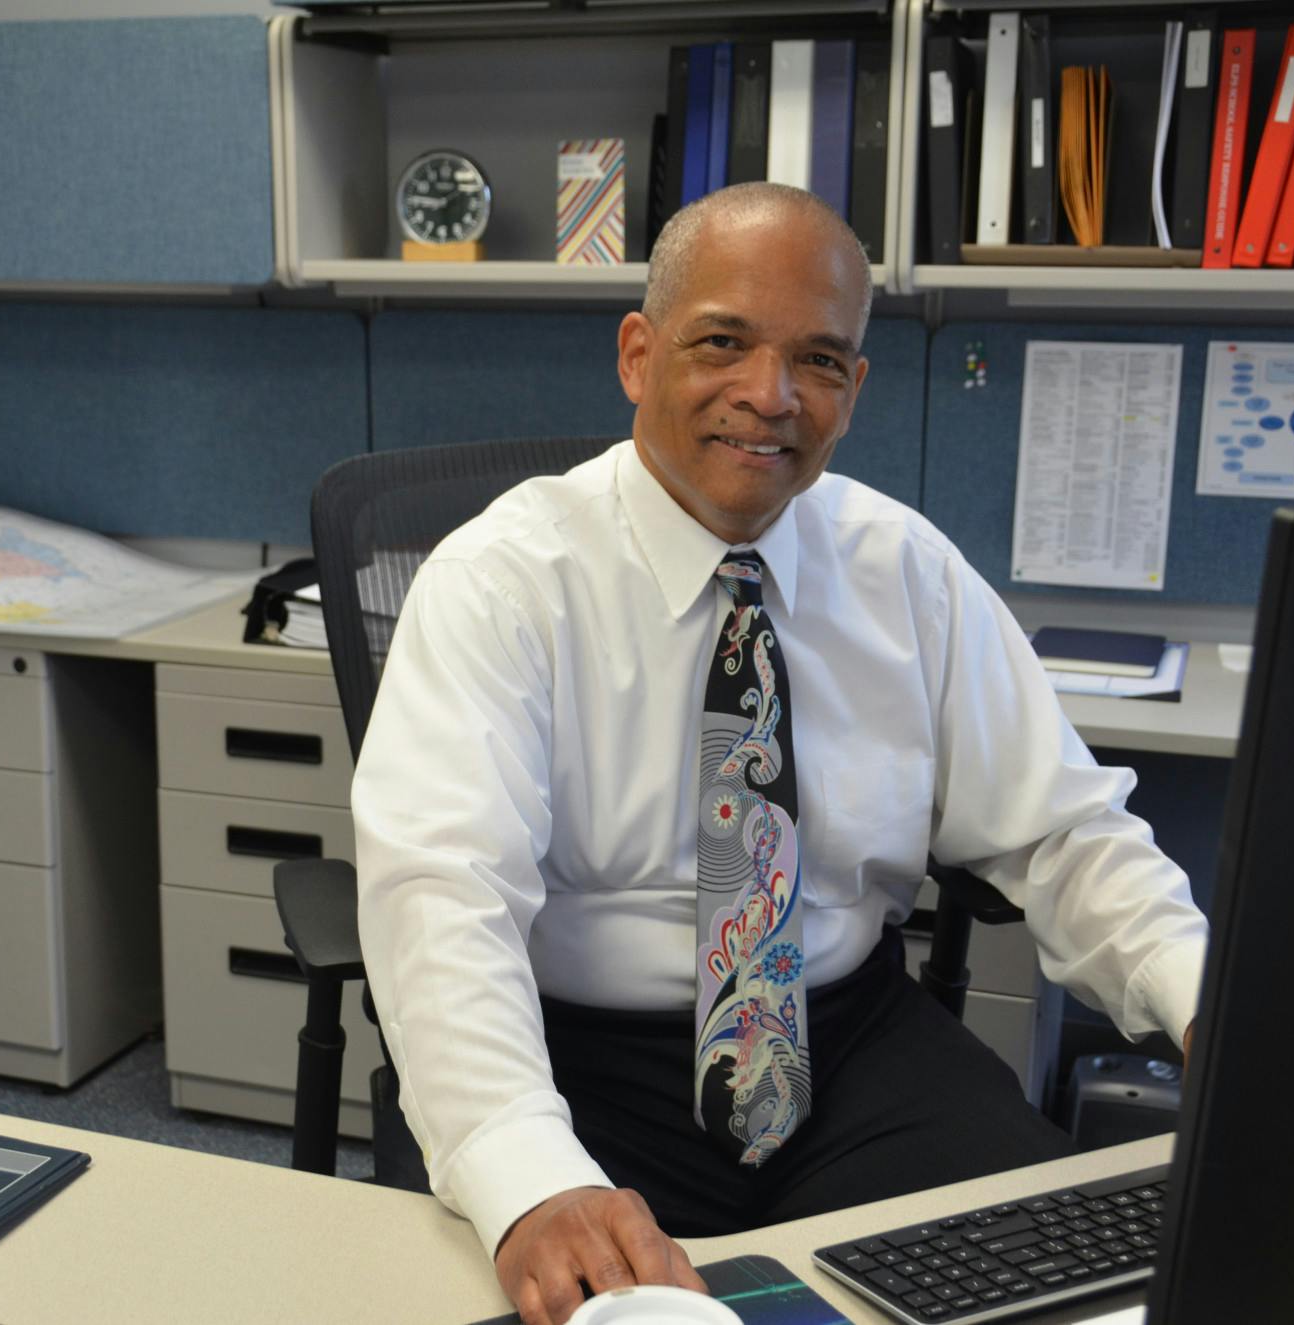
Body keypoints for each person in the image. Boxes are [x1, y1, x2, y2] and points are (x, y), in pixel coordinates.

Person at [350, 182, 1208, 1325]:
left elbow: (1062, 830)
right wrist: (527, 1175)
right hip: (575, 1058)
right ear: (636, 354)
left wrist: (1212, 1008)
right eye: (722, 343)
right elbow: (441, 902)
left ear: (851, 390)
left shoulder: (901, 568)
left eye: (816, 359)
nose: (768, 395)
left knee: (1056, 1288)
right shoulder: (498, 584)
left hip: (843, 1040)